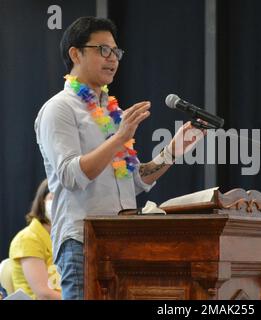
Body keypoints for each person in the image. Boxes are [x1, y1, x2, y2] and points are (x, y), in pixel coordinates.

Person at [34, 16, 205, 300]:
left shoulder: (113, 114)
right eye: (103, 50)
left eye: (116, 52)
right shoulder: (58, 109)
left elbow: (135, 181)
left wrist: (172, 151)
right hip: (82, 241)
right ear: (75, 53)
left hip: (124, 240)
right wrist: (119, 138)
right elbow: (70, 176)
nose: (112, 58)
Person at [8, 179, 61, 300]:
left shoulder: (64, 238)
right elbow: (43, 294)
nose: (59, 205)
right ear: (42, 202)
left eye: (63, 200)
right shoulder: (28, 239)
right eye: (53, 198)